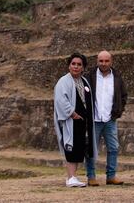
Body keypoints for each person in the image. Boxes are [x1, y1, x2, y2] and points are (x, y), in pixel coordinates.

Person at [54, 53, 97, 187]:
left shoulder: (84, 82)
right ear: (69, 65)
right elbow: (61, 99)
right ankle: (71, 177)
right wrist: (72, 113)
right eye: (73, 64)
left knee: (79, 147)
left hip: (83, 122)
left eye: (79, 64)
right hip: (71, 121)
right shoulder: (63, 81)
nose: (76, 67)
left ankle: (73, 177)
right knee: (71, 147)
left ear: (83, 67)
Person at [85, 50, 128, 186]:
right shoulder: (89, 77)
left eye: (106, 61)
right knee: (91, 149)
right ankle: (91, 177)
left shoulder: (117, 77)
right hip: (94, 120)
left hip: (110, 119)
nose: (103, 63)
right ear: (97, 61)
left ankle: (111, 176)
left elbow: (123, 96)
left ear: (111, 61)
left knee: (114, 148)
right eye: (101, 61)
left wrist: (118, 112)